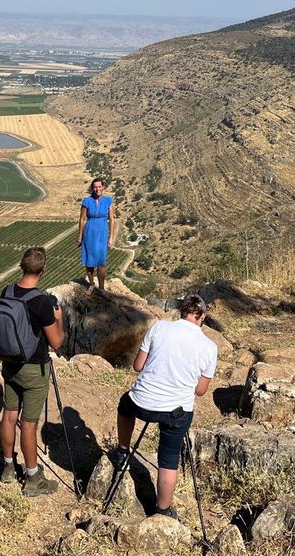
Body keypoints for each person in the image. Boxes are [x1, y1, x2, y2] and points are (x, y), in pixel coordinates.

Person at [113, 294, 217, 518]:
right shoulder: (209, 347)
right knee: (168, 458)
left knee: (125, 404)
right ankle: (162, 510)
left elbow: (138, 365)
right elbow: (200, 390)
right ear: (203, 317)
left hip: (141, 402)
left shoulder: (159, 327)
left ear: (181, 311)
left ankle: (122, 451)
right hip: (175, 411)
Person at [0, 247, 66, 496]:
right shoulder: (41, 302)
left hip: (10, 364)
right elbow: (56, 342)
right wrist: (60, 318)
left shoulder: (7, 291)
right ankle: (33, 477)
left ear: (21, 266)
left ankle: (7, 468)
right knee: (28, 424)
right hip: (33, 369)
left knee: (9, 416)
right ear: (42, 270)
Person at [78, 177, 115, 292]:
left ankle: (102, 288)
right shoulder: (86, 201)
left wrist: (111, 237)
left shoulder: (109, 201)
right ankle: (91, 284)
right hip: (89, 232)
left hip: (102, 233)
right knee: (89, 261)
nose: (97, 189)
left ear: (103, 187)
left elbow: (112, 219)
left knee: (101, 262)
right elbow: (82, 219)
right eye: (95, 187)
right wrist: (80, 236)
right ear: (92, 188)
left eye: (99, 186)